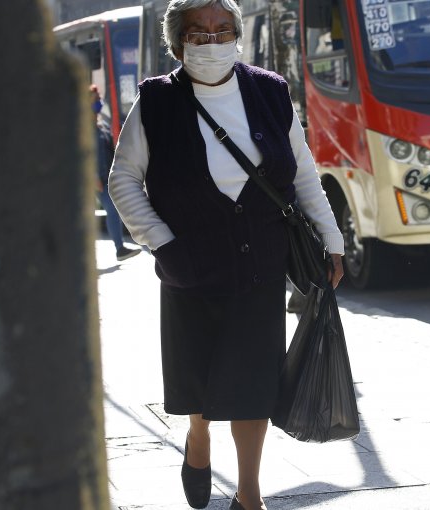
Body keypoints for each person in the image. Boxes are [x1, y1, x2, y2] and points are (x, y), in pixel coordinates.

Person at [108, 1, 345, 509]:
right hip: (188, 265)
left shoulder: (269, 91)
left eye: (222, 31)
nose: (211, 42)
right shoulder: (155, 101)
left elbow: (302, 173)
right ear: (177, 44)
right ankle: (198, 436)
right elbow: (123, 178)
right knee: (198, 375)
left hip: (260, 263)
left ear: (238, 36)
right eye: (198, 33)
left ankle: (249, 496)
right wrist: (162, 243)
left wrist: (333, 239)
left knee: (252, 380)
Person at [91, 85, 140, 261]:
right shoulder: (82, 127)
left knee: (113, 209)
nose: (98, 102)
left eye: (98, 99)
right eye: (95, 100)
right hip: (92, 180)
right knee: (108, 210)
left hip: (106, 177)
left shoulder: (101, 125)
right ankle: (117, 249)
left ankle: (120, 249)